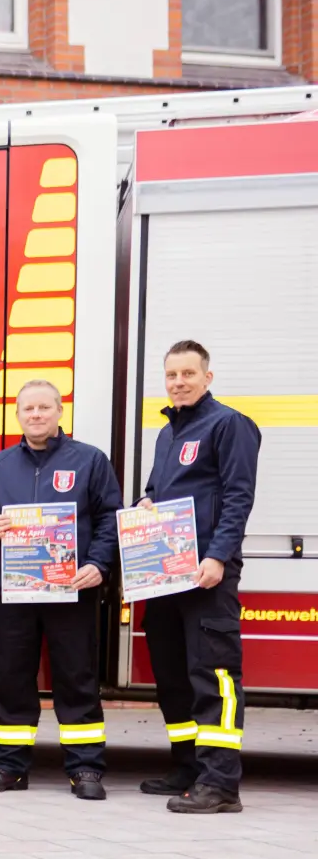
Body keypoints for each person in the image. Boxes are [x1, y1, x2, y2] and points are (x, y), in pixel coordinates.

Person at [0, 379, 123, 800]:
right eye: (28, 409)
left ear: (59, 412)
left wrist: (99, 564)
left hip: (71, 591)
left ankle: (86, 768)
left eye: (44, 408)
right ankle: (9, 767)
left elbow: (111, 518)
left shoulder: (90, 460)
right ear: (18, 415)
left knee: (77, 678)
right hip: (15, 593)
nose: (36, 415)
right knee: (11, 679)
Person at [135, 340, 261, 814]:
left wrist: (219, 557)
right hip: (167, 575)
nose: (179, 382)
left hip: (208, 574)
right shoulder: (168, 433)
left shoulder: (229, 424)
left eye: (188, 373)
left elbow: (238, 497)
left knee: (215, 676)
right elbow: (157, 491)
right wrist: (146, 505)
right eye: (171, 375)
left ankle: (221, 783)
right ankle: (188, 767)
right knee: (173, 676)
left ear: (207, 377)